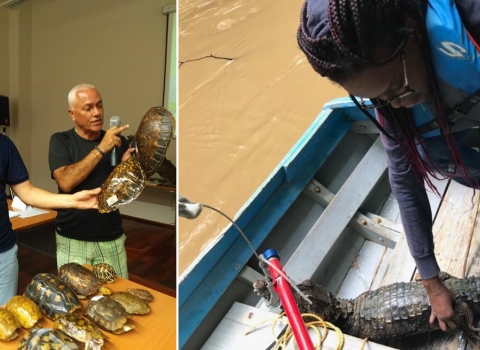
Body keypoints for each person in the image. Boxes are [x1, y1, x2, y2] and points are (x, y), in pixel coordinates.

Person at [297, 0, 480, 332]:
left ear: (411, 27)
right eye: (378, 99)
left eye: (398, 86)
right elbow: (404, 180)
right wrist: (430, 279)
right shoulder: (393, 104)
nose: (395, 103)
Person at [0, 133, 100, 305]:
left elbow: (27, 192)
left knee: (6, 324)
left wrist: (72, 200)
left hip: (3, 255)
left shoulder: (3, 144)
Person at [48, 83, 135, 279]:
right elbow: (66, 182)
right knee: (77, 301)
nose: (96, 113)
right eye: (88, 108)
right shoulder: (61, 141)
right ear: (72, 113)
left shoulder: (117, 141)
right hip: (71, 237)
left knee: (118, 296)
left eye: (99, 105)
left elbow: (123, 193)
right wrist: (100, 149)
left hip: (110, 236)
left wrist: (125, 171)